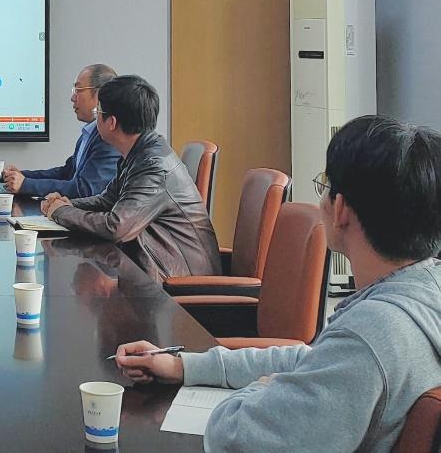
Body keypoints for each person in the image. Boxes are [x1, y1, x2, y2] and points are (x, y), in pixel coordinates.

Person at [114, 115, 441, 452]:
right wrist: (185, 365)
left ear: (341, 208)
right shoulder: (421, 294)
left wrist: (267, 387)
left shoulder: (369, 337)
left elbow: (236, 439)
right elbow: (312, 360)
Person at [40, 75, 219, 281]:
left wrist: (61, 212)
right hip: (162, 270)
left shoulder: (153, 166)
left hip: (184, 282)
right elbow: (108, 200)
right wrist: (67, 204)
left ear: (111, 122)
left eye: (98, 113)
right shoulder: (139, 153)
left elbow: (116, 227)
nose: (96, 119)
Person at [2, 63, 120, 198]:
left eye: (78, 90)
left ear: (100, 94)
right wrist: (22, 176)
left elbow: (85, 189)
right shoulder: (90, 132)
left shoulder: (108, 138)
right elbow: (67, 173)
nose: (73, 98)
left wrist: (26, 184)